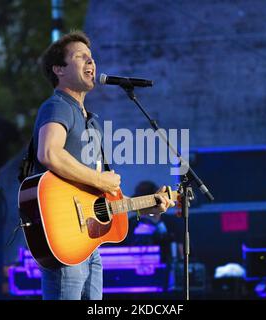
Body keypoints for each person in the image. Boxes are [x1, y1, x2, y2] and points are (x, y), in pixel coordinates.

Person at [33, 30, 175, 300]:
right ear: (59, 70)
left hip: (89, 244)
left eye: (92, 58)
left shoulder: (91, 120)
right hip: (66, 239)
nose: (91, 63)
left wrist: (149, 204)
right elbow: (49, 153)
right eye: (81, 57)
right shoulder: (58, 106)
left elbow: (104, 200)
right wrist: (100, 180)